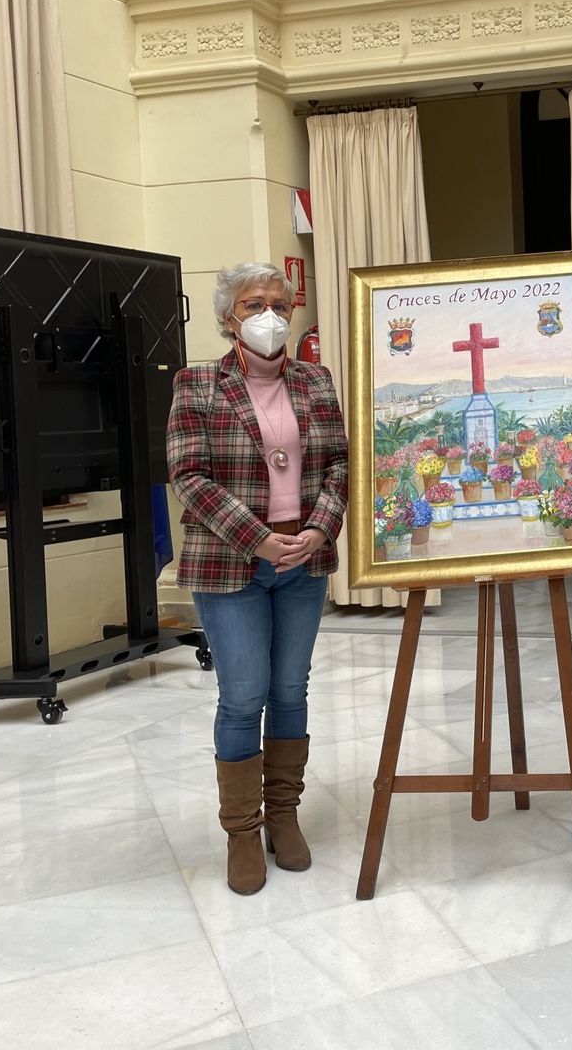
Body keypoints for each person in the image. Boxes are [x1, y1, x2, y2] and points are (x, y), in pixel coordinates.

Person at [166, 263, 348, 895]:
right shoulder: (196, 384)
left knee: (291, 690)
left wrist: (319, 529)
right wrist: (258, 539)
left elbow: (339, 463)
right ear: (228, 317)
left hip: (303, 560)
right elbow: (188, 475)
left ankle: (284, 816)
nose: (269, 315)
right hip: (230, 562)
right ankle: (242, 831)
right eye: (253, 305)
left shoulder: (316, 380)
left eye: (279, 304)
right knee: (244, 696)